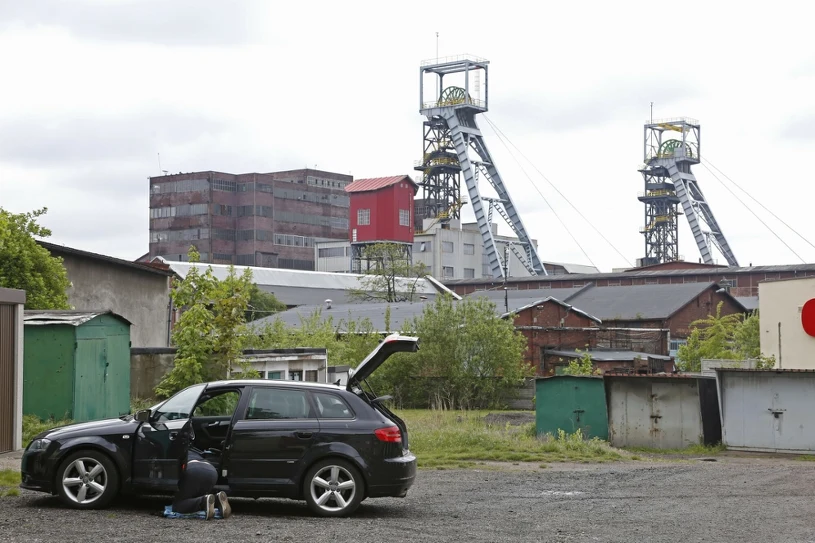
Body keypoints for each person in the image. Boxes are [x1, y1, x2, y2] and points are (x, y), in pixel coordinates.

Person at [170, 419, 232, 520]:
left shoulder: (175, 450)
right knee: (196, 495)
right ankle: (216, 498)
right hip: (211, 471)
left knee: (178, 505)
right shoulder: (193, 449)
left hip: (193, 470)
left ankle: (203, 501)